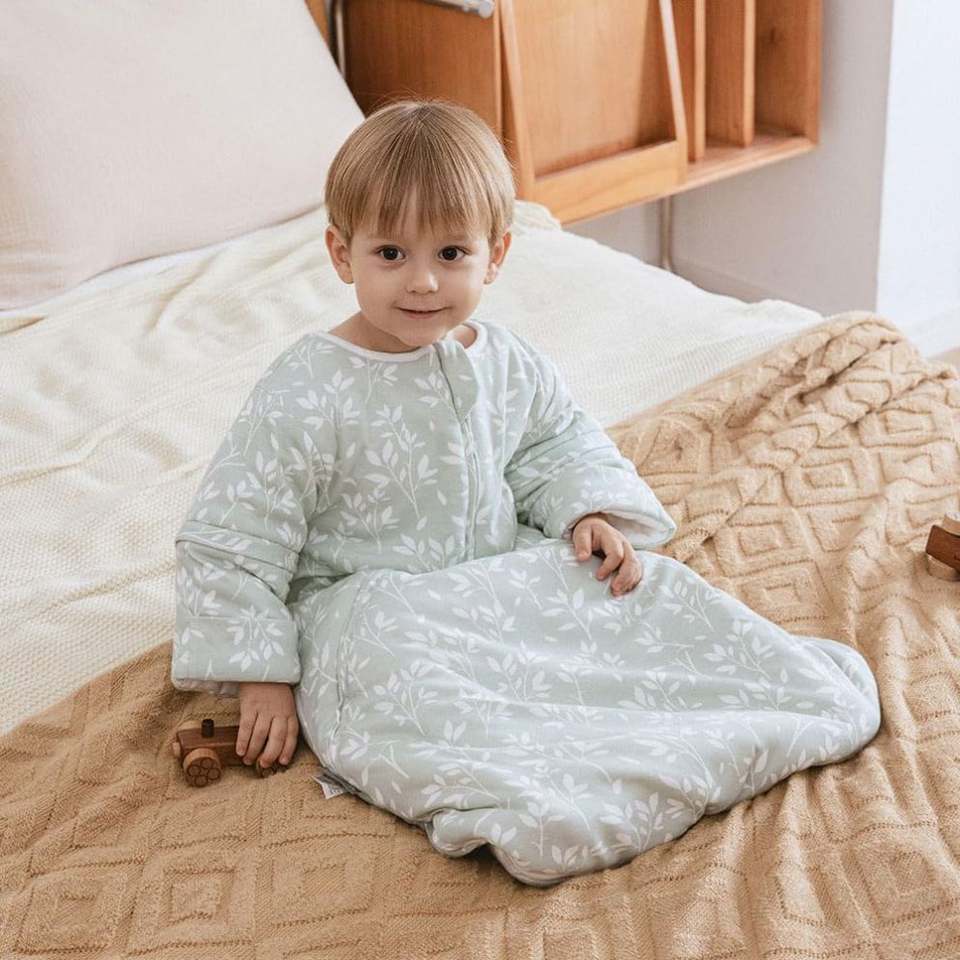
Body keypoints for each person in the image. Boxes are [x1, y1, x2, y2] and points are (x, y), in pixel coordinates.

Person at [171, 98, 880, 887]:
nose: (423, 281)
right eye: (390, 253)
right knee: (384, 651)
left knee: (631, 586)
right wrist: (262, 671)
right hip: (373, 602)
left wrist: (587, 511)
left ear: (496, 254)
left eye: (451, 252)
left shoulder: (505, 361)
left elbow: (555, 442)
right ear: (343, 254)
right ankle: (536, 791)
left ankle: (739, 709)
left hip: (502, 576)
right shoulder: (306, 388)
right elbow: (233, 533)